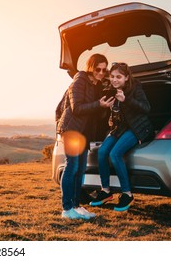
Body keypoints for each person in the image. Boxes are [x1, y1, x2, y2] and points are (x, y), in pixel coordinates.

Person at [56, 54, 114, 220]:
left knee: (80, 170)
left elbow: (95, 112)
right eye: (98, 69)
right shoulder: (80, 80)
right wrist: (98, 104)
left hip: (83, 133)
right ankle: (67, 209)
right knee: (72, 167)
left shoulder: (95, 84)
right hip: (72, 130)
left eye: (104, 69)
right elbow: (77, 108)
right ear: (90, 67)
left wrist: (104, 107)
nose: (101, 72)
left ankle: (76, 206)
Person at [89, 62, 153, 211]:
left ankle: (127, 194)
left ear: (126, 78)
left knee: (115, 154)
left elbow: (146, 108)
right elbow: (116, 114)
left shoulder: (135, 88)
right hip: (119, 128)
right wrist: (108, 113)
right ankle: (105, 191)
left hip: (137, 128)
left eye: (118, 77)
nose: (114, 80)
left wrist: (126, 100)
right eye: (112, 76)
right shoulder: (111, 91)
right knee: (102, 152)